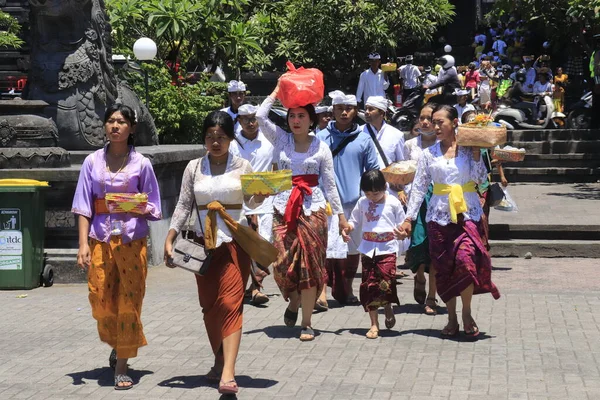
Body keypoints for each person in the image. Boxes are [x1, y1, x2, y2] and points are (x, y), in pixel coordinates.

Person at [164, 111, 277, 395]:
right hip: (203, 246)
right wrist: (170, 236)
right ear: (204, 139)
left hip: (234, 243)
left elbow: (251, 198)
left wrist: (260, 195)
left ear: (230, 139)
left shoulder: (243, 165)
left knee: (230, 303)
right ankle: (218, 361)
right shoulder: (193, 168)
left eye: (221, 137)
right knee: (210, 306)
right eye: (210, 137)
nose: (215, 143)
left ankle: (228, 372)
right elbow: (183, 205)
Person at [72, 104, 162, 390]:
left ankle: (122, 365)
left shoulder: (142, 164)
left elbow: (155, 206)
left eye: (121, 122)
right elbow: (83, 205)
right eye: (110, 121)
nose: (115, 126)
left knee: (128, 303)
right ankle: (117, 342)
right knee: (100, 300)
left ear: (131, 128)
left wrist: (134, 205)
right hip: (100, 240)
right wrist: (82, 244)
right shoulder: (92, 162)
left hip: (132, 242)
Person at [399, 104, 501, 339]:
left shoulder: (467, 151)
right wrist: (408, 218)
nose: (435, 127)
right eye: (433, 122)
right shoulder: (428, 154)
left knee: (466, 261)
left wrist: (476, 154)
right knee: (444, 269)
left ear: (455, 123)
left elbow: (478, 179)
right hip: (439, 217)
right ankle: (452, 317)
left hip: (467, 214)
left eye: (440, 122)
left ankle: (466, 313)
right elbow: (419, 188)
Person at [257, 82, 345, 340]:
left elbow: (330, 184)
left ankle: (306, 323)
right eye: (292, 115)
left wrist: (340, 217)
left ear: (311, 120)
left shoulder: (321, 148)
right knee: (281, 264)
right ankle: (293, 300)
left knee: (309, 266)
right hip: (282, 208)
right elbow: (261, 116)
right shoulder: (281, 139)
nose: (296, 120)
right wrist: (277, 89)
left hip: (312, 210)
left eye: (301, 116)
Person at [317, 90, 380, 305]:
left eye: (349, 108)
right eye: (339, 108)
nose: (344, 112)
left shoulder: (364, 139)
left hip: (354, 204)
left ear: (355, 111)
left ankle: (347, 289)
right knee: (325, 249)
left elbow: (372, 170)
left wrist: (371, 198)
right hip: (324, 204)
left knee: (352, 250)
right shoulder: (320, 137)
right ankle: (321, 293)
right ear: (332, 111)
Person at [341, 170, 405, 339]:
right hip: (368, 248)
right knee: (369, 285)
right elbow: (354, 221)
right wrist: (347, 228)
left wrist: (403, 234)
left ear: (385, 187)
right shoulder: (362, 203)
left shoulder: (393, 202)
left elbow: (402, 224)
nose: (372, 197)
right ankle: (374, 324)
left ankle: (388, 305)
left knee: (386, 281)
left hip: (387, 248)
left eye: (375, 193)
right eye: (368, 193)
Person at [229, 104, 274, 306]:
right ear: (238, 120)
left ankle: (255, 287)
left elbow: (277, 166)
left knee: (263, 244)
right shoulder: (232, 143)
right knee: (246, 246)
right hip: (241, 202)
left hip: (266, 201)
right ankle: (253, 289)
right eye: (245, 118)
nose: (250, 122)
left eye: (253, 117)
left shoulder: (269, 139)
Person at [403, 103, 439, 315]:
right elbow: (402, 169)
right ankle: (418, 276)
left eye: (431, 119)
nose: (425, 122)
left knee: (435, 248)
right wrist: (400, 189)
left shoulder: (445, 145)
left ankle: (432, 296)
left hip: (439, 201)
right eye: (422, 118)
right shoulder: (409, 145)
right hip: (415, 200)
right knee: (417, 244)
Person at [362, 96, 406, 201]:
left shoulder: (396, 134)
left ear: (381, 112)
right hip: (365, 189)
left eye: (371, 109)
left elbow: (401, 163)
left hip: (389, 190)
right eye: (366, 109)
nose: (367, 112)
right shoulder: (359, 132)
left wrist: (401, 190)